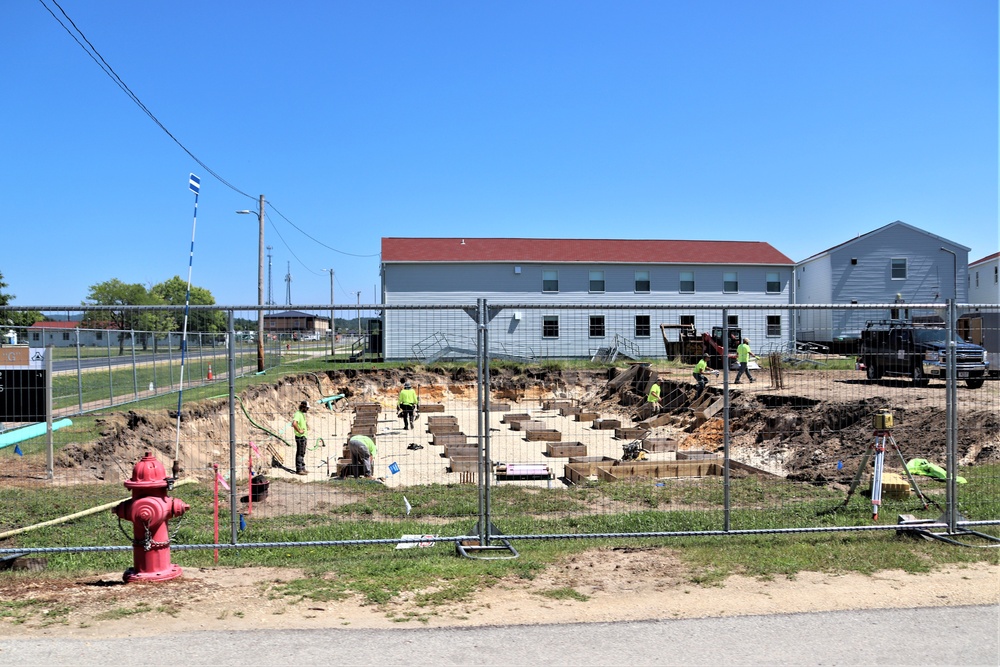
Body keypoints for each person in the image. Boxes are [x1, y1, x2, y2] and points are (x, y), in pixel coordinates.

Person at [292, 400, 309, 475]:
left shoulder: (301, 414)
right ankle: (299, 469)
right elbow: (294, 423)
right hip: (300, 437)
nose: (308, 410)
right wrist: (299, 431)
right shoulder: (298, 414)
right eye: (307, 408)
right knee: (300, 453)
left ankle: (302, 467)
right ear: (304, 407)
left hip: (303, 436)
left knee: (302, 452)